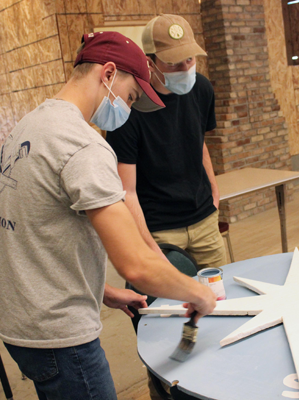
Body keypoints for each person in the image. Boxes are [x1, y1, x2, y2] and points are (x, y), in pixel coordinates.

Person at [0, 31, 217, 400]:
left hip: (22, 325)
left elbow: (38, 237)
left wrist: (103, 292)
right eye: (130, 97)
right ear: (108, 74)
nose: (126, 109)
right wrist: (198, 293)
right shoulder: (81, 145)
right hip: (62, 337)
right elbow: (137, 266)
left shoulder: (29, 127)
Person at [107, 14, 226, 271]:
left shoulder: (202, 89)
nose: (185, 69)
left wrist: (214, 193)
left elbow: (199, 143)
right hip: (160, 229)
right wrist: (149, 246)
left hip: (204, 218)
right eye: (173, 63)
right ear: (150, 63)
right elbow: (126, 191)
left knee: (220, 298)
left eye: (190, 59)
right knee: (171, 307)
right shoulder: (128, 110)